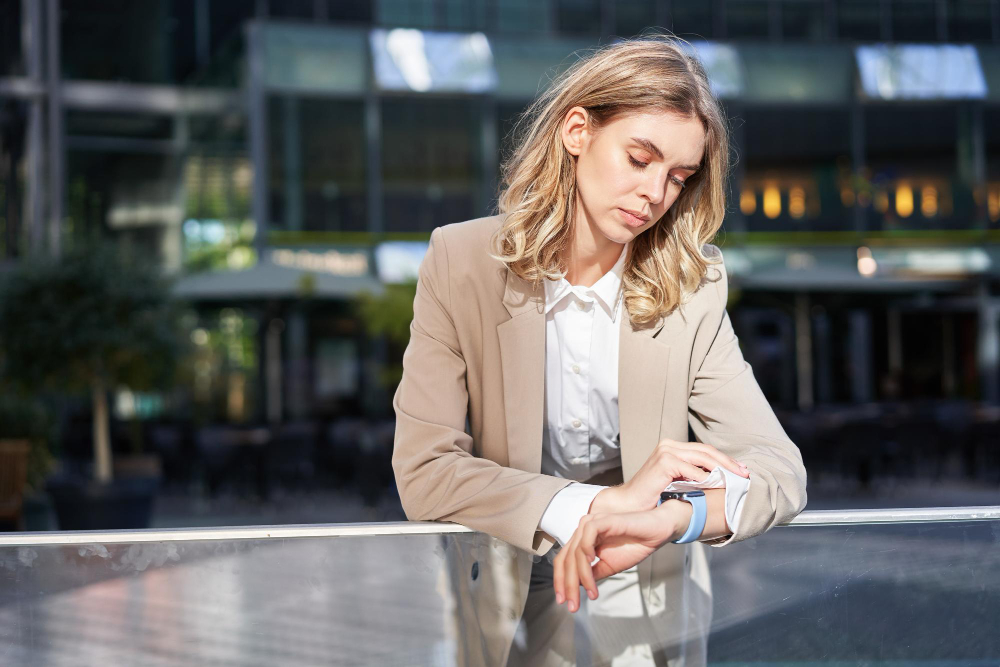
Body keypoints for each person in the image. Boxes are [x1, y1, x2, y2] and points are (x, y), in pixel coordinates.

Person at [391, 32, 808, 667]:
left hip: (647, 582)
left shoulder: (691, 289)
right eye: (639, 159)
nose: (655, 194)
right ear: (577, 131)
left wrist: (671, 518)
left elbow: (780, 472)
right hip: (507, 573)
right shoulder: (460, 262)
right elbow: (425, 472)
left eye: (678, 177)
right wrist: (600, 504)